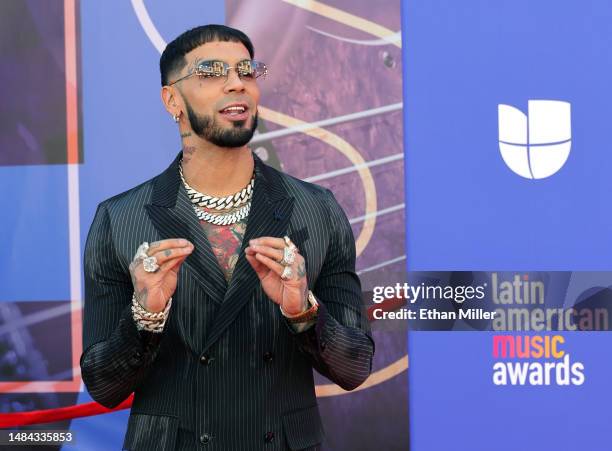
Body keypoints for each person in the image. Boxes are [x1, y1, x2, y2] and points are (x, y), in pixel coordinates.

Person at [80, 24, 374, 451]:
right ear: (172, 100)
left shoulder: (316, 209)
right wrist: (145, 316)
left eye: (246, 71)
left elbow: (355, 366)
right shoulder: (121, 219)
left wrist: (303, 312)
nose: (236, 83)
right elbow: (104, 386)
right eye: (212, 73)